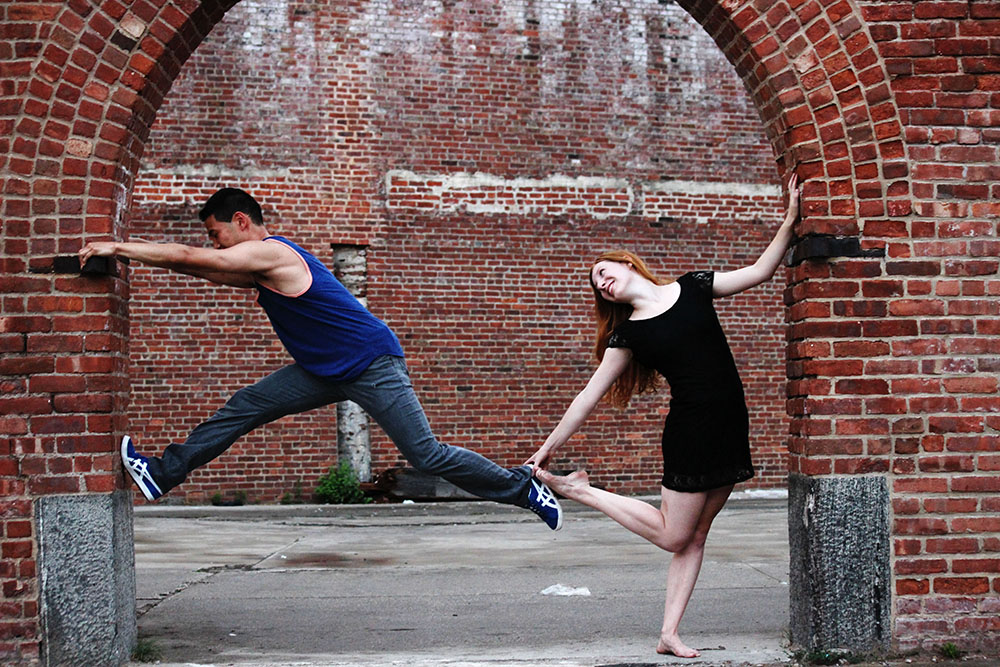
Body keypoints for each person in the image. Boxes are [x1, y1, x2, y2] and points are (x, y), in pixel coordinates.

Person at [79, 187, 562, 529]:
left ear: (241, 222)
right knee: (247, 404)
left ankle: (523, 488)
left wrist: (118, 247)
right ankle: (160, 474)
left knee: (425, 454)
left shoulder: (271, 253)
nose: (214, 244)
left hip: (372, 364)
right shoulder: (257, 267)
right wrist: (139, 257)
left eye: (216, 233)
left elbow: (191, 258)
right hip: (326, 371)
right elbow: (201, 270)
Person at [525, 174, 800, 656]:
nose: (602, 283)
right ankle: (578, 489)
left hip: (731, 425)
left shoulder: (694, 286)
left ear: (626, 263)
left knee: (694, 538)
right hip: (691, 430)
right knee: (674, 535)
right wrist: (548, 449)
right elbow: (588, 396)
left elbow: (759, 271)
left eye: (604, 272)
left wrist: (791, 218)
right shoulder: (628, 336)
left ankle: (668, 634)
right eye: (598, 286)